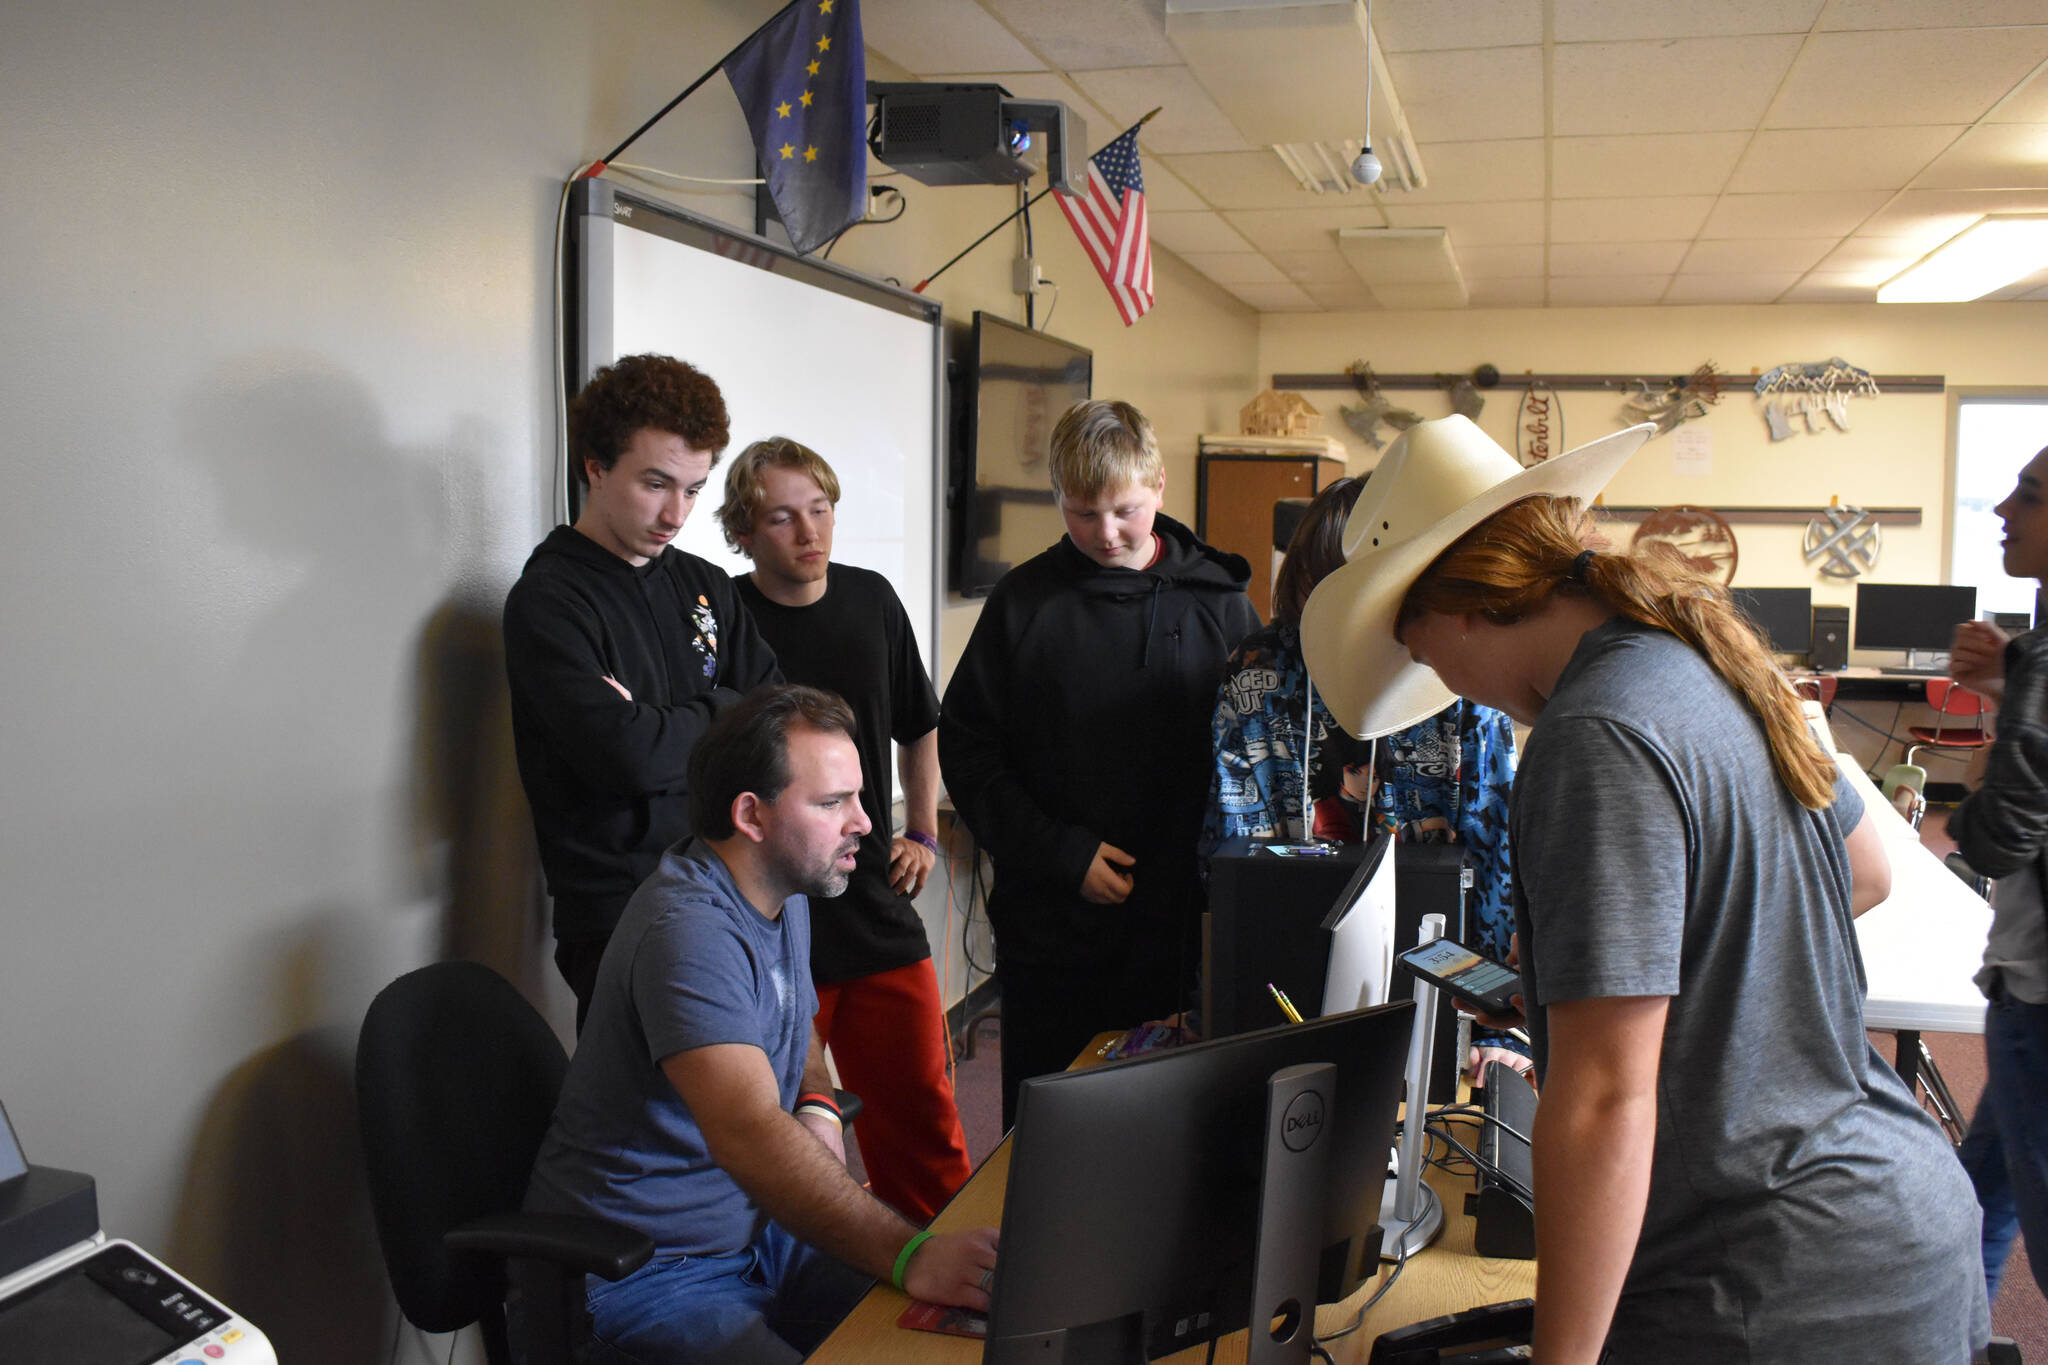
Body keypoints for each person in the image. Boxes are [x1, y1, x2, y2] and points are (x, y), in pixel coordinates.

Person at [1300, 415, 1988, 1364]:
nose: (1444, 682)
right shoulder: (1701, 656)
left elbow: (1602, 1100)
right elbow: (1864, 873)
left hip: (1772, 1280)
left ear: (1457, 606)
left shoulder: (1594, 735)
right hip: (1890, 1219)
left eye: (1423, 655)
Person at [524, 685, 998, 1364]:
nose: (865, 823)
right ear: (750, 814)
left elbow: (793, 1018)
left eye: (860, 798)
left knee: (947, 1331)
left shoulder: (781, 888)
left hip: (756, 1232)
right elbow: (749, 1134)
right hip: (644, 1272)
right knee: (914, 1283)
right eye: (833, 802)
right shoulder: (687, 931)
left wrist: (816, 1104)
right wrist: (910, 1253)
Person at [940, 398, 1260, 1127]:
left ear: (1160, 486)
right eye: (1082, 513)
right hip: (1057, 928)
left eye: (1125, 509)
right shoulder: (1023, 603)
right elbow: (968, 747)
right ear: (1057, 498)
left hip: (1185, 928)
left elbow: (1254, 764)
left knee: (1175, 1130)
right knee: (1051, 1130)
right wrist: (1059, 851)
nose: (1106, 533)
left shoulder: (1222, 603)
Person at [717, 436, 972, 1223]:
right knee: (792, 1129)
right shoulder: (723, 614)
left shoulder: (872, 599)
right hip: (770, 917)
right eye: (784, 517)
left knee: (922, 1116)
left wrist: (922, 830)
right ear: (744, 532)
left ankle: (943, 1265)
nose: (808, 532)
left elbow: (918, 723)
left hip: (871, 904)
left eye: (820, 511)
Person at [1205, 475, 1522, 1075]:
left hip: (1441, 969)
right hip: (1287, 957)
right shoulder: (1258, 672)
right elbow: (1229, 852)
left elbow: (1498, 858)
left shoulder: (1459, 680)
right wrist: (1217, 1000)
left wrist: (1497, 1020)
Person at [503, 354, 780, 1026]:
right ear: (596, 467)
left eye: (693, 488)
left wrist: (668, 722)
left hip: (735, 882)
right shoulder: (549, 600)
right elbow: (625, 757)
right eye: (656, 483)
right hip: (624, 911)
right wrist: (724, 708)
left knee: (757, 1098)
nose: (675, 513)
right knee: (664, 1122)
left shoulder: (706, 583)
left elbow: (775, 713)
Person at [1950, 441, 2048, 1306]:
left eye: (2029, 495)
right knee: (1975, 1198)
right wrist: (2004, 676)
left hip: (2040, 995)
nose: (2003, 511)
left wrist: (1982, 762)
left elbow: (1992, 841)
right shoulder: (2038, 655)